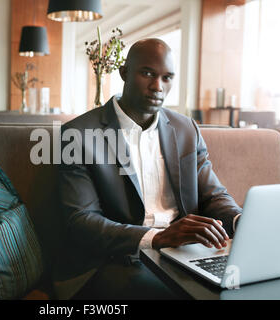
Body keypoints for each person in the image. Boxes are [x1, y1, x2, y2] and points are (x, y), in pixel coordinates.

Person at [54, 38, 242, 300]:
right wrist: (157, 238)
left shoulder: (186, 130)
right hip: (112, 260)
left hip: (182, 253)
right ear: (124, 73)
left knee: (243, 285)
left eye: (167, 78)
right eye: (147, 74)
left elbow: (213, 195)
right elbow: (82, 222)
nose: (158, 87)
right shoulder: (77, 134)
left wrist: (240, 219)